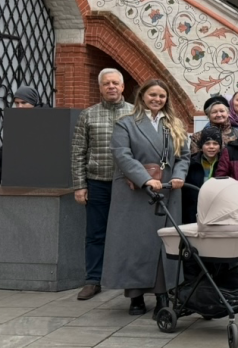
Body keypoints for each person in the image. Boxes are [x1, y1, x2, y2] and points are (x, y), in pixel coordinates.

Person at [104, 79, 189, 317]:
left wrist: (180, 175)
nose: (157, 99)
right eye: (153, 95)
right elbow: (122, 155)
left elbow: (183, 156)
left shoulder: (175, 124)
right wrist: (144, 178)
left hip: (168, 189)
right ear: (142, 97)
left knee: (165, 242)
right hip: (136, 191)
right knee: (135, 243)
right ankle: (136, 297)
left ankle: (163, 295)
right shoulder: (126, 124)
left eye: (162, 96)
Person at [71, 70, 133, 301]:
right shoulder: (88, 115)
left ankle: (129, 279)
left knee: (128, 233)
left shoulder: (136, 113)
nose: (111, 87)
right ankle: (93, 279)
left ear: (123, 86)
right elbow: (78, 152)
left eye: (115, 83)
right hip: (97, 182)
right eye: (106, 83)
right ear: (100, 87)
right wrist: (79, 185)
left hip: (128, 184)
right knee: (96, 233)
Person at [184, 126, 223, 224]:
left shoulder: (224, 163)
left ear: (220, 147)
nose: (211, 146)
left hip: (217, 208)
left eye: (215, 143)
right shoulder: (191, 163)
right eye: (207, 143)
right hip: (194, 209)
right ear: (201, 146)